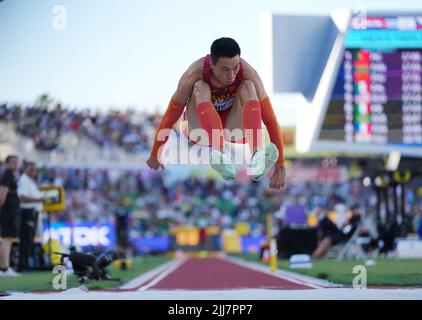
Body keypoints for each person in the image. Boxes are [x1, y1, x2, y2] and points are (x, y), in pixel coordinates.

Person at [146, 37, 286, 189]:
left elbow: (270, 119)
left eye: (235, 68)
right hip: (200, 131)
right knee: (200, 86)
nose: (231, 75)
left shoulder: (248, 73)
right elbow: (170, 115)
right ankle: (220, 155)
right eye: (225, 69)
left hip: (234, 129)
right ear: (212, 65)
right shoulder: (193, 74)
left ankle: (256, 155)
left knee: (248, 87)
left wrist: (280, 165)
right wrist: (155, 153)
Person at [17, 161, 45, 272]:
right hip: (27, 212)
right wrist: (39, 199)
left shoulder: (30, 181)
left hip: (32, 212)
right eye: (31, 169)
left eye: (34, 169)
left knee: (29, 240)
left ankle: (26, 264)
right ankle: (23, 265)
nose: (33, 172)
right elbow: (22, 197)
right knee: (26, 240)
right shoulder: (24, 180)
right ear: (25, 169)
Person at [0, 155, 21, 276]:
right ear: (7, 163)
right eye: (13, 162)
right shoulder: (7, 175)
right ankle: (5, 268)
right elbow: (2, 194)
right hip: (7, 211)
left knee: (7, 239)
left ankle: (4, 268)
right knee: (7, 239)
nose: (15, 165)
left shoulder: (10, 175)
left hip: (10, 210)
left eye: (16, 162)